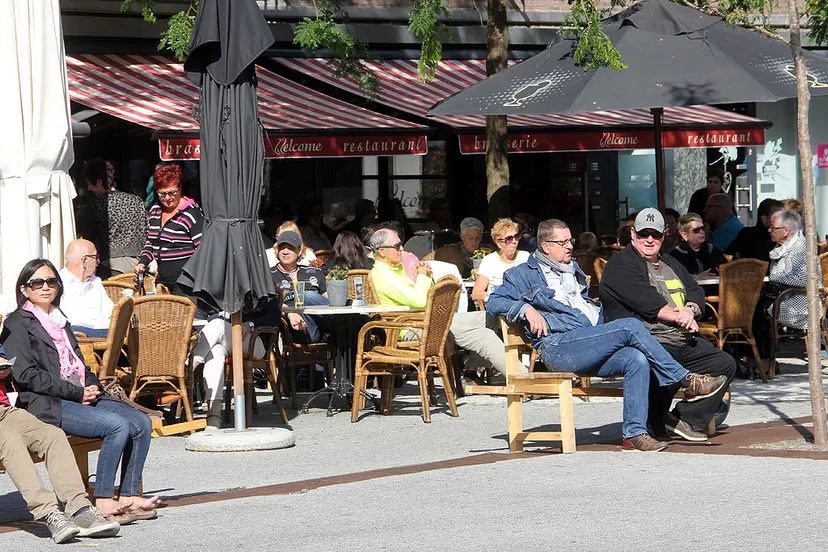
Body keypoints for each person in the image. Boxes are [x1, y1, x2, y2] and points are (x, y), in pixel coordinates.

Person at [486, 219, 727, 452]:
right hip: (559, 345)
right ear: (546, 246)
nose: (570, 246)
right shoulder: (524, 273)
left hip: (587, 341)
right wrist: (526, 309)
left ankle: (633, 434)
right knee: (630, 326)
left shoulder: (572, 269)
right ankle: (687, 380)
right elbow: (494, 301)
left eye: (571, 240)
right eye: (564, 242)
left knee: (636, 358)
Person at [1, 259, 160, 521]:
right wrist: (76, 392)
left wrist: (92, 385)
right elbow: (26, 375)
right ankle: (104, 500)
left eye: (51, 281)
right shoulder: (17, 323)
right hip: (47, 402)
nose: (45, 287)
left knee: (140, 422)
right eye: (37, 283)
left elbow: (79, 364)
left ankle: (130, 495)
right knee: (116, 425)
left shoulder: (59, 319)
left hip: (78, 394)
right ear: (24, 289)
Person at [599, 209, 736, 442]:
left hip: (680, 337)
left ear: (665, 235)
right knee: (665, 360)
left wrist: (690, 309)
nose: (650, 240)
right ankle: (654, 422)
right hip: (645, 341)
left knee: (725, 364)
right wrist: (681, 316)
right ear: (633, 234)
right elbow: (647, 302)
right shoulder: (622, 265)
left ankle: (684, 419)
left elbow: (695, 290)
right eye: (644, 234)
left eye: (656, 234)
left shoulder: (670, 261)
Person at [0, 345, 121, 542]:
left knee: (52, 435)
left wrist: (4, 369)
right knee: (10, 441)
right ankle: (48, 513)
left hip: (4, 410)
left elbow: (4, 359)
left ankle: (80, 508)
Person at [369, 228, 506, 376]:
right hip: (414, 327)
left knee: (492, 316)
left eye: (401, 244)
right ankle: (521, 379)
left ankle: (471, 370)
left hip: (429, 320)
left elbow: (424, 295)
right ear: (382, 251)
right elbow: (421, 300)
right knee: (484, 335)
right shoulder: (383, 275)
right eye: (397, 246)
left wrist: (424, 277)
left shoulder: (397, 268)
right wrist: (424, 276)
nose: (402, 249)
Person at [135, 164, 204, 295]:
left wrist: (189, 276)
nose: (167, 198)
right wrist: (142, 262)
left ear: (180, 189)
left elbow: (202, 250)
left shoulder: (191, 214)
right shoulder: (155, 211)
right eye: (162, 193)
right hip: (161, 279)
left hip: (186, 282)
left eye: (172, 192)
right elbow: (151, 243)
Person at [76, 158, 147, 278]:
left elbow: (88, 240)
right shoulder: (137, 200)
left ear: (99, 182)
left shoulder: (94, 206)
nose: (88, 188)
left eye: (89, 184)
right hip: (140, 267)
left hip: (110, 269)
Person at [271, 231, 328, 343]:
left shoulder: (313, 272)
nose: (285, 252)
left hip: (323, 320)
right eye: (282, 248)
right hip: (295, 325)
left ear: (299, 251)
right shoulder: (270, 274)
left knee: (342, 329)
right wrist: (290, 313)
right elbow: (272, 303)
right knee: (306, 295)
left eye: (290, 247)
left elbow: (327, 299)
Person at [767, 209, 817, 329]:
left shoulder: (799, 248)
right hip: (787, 296)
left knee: (757, 309)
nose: (769, 231)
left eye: (773, 228)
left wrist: (769, 278)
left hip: (802, 303)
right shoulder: (785, 246)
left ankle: (764, 345)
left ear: (786, 231)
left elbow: (802, 280)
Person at [58, 240, 114, 338]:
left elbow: (110, 311)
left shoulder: (96, 282)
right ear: (84, 261)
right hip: (75, 338)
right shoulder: (58, 283)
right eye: (95, 257)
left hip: (104, 335)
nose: (98, 261)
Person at [472, 218, 530, 303]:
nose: (514, 241)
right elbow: (476, 294)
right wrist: (497, 299)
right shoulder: (489, 261)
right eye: (509, 239)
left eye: (516, 237)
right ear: (498, 242)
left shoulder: (525, 257)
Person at [724, 198, 784, 262]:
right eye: (778, 216)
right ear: (764, 219)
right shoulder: (747, 236)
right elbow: (728, 256)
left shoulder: (785, 237)